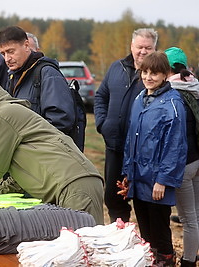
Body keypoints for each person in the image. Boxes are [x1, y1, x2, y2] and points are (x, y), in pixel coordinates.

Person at [0, 76, 104, 224]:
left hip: (75, 187)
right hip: (73, 185)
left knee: (84, 246)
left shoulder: (3, 116)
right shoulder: (7, 113)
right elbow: (17, 182)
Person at [121, 51, 187, 266]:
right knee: (145, 228)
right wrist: (127, 174)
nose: (148, 77)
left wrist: (163, 180)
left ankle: (166, 261)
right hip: (139, 178)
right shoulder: (140, 99)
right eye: (145, 72)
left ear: (166, 75)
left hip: (157, 181)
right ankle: (150, 260)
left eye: (155, 74)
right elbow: (132, 139)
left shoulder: (172, 104)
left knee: (159, 229)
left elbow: (175, 147)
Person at [94, 28, 158, 222]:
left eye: (148, 48)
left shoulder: (156, 76)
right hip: (114, 146)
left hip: (142, 152)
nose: (143, 52)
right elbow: (100, 96)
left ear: (155, 48)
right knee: (113, 198)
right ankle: (119, 239)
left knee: (143, 200)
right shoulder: (116, 68)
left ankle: (149, 245)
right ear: (132, 46)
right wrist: (103, 124)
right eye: (139, 47)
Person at [0, 26, 82, 150]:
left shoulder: (48, 74)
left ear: (26, 45)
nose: (7, 59)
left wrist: (31, 146)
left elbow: (60, 121)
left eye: (11, 51)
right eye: (3, 53)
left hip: (44, 155)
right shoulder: (12, 76)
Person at [165, 47, 199, 267]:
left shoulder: (173, 93)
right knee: (196, 215)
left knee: (188, 220)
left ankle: (188, 261)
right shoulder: (194, 87)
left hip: (184, 163)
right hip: (197, 159)